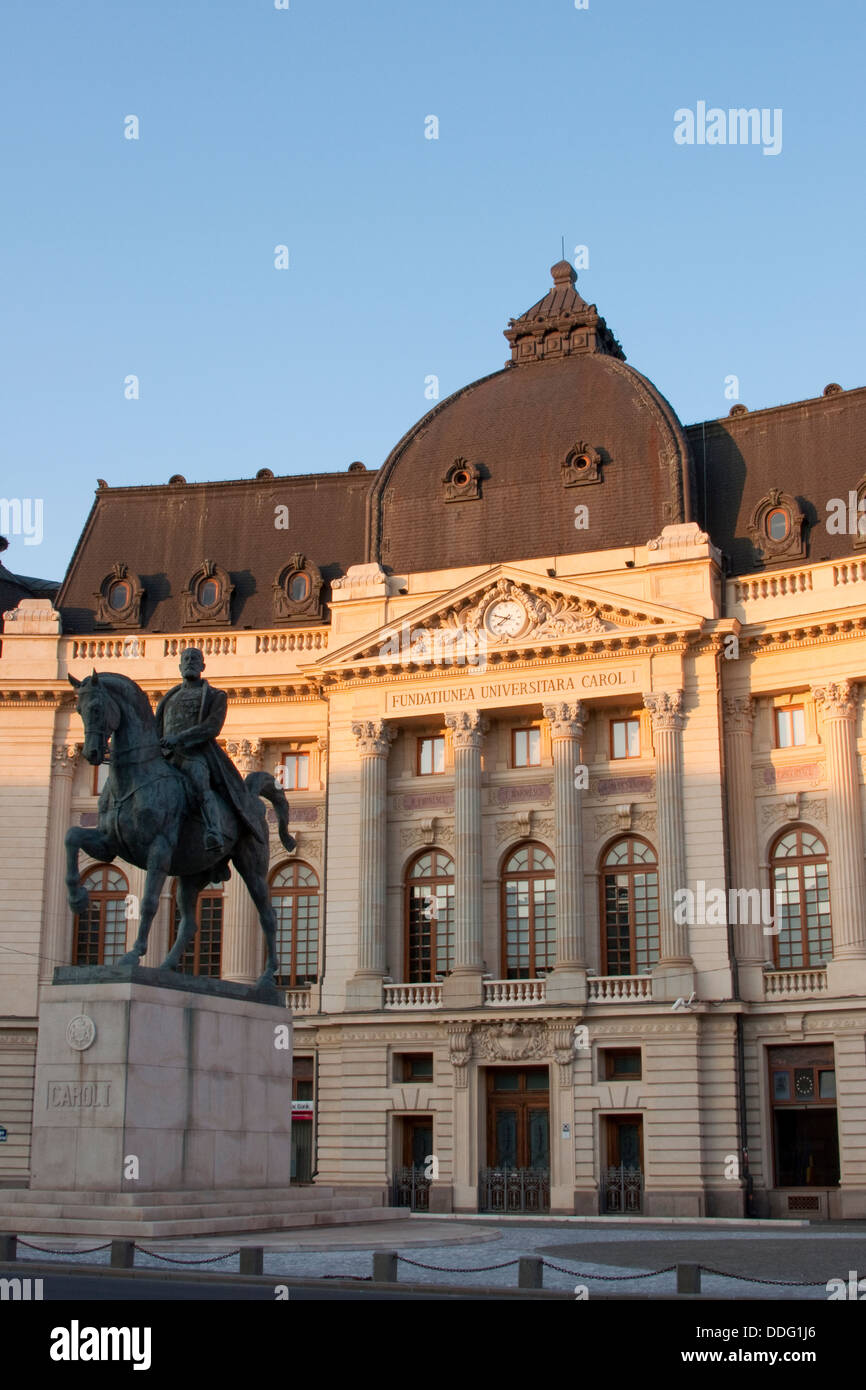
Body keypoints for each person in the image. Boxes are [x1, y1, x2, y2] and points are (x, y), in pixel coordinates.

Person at [155, 647, 263, 852]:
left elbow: (211, 727)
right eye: (185, 659)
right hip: (167, 757)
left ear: (203, 666)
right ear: (179, 666)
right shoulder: (168, 699)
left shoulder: (215, 696)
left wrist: (179, 738)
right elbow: (156, 729)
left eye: (194, 659)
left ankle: (214, 830)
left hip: (194, 755)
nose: (189, 662)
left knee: (200, 784)